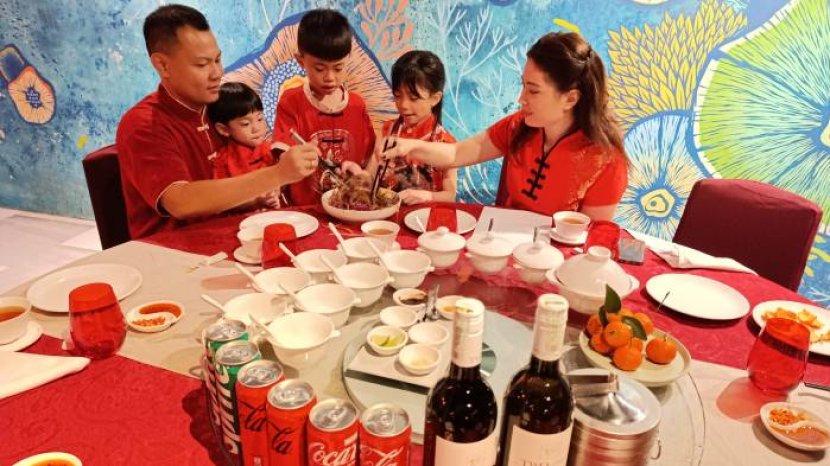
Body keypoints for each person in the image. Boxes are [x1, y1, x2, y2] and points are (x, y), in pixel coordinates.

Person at [116, 4, 318, 238]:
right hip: (170, 248)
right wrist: (278, 173)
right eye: (202, 64)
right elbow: (180, 202)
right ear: (163, 65)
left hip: (233, 234)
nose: (217, 73)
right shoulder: (143, 123)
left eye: (218, 60)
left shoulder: (221, 108)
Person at [381, 32, 628, 220]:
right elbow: (456, 153)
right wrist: (407, 146)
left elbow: (590, 240)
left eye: (533, 90)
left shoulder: (606, 160)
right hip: (503, 242)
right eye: (523, 85)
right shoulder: (518, 126)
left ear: (570, 99)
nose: (521, 98)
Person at [271, 8, 376, 206]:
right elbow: (283, 160)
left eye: (338, 68)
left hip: (349, 207)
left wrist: (362, 174)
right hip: (306, 210)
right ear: (300, 60)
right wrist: (297, 156)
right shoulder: (291, 102)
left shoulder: (357, 105)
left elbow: (369, 159)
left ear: (348, 59)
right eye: (319, 68)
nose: (330, 77)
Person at [363, 50, 457, 205]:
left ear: (435, 98)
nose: (404, 105)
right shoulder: (387, 130)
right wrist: (359, 176)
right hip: (387, 214)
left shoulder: (445, 143)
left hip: (426, 216)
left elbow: (450, 196)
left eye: (413, 98)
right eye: (398, 96)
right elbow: (370, 176)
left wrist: (427, 196)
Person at [206, 82, 282, 208]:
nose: (256, 128)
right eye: (246, 124)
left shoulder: (273, 150)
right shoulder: (223, 162)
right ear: (224, 129)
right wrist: (257, 201)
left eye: (260, 119)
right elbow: (223, 200)